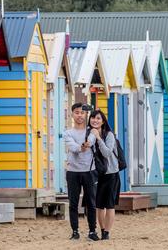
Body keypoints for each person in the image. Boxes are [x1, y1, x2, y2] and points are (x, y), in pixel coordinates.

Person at [63, 102, 99, 241]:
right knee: (73, 202)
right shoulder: (68, 133)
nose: (80, 115)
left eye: (82, 113)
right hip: (72, 171)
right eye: (77, 112)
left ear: (86, 114)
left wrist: (88, 143)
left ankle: (92, 231)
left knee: (91, 202)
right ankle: (75, 231)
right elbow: (72, 146)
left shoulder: (91, 131)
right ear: (72, 114)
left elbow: (91, 140)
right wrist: (81, 147)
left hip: (90, 171)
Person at [89, 109, 120, 241]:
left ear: (103, 122)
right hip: (96, 174)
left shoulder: (109, 135)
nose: (95, 120)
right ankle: (101, 230)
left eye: (98, 118)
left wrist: (98, 138)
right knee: (98, 205)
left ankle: (107, 232)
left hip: (111, 173)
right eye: (93, 118)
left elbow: (107, 153)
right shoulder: (88, 133)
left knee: (109, 205)